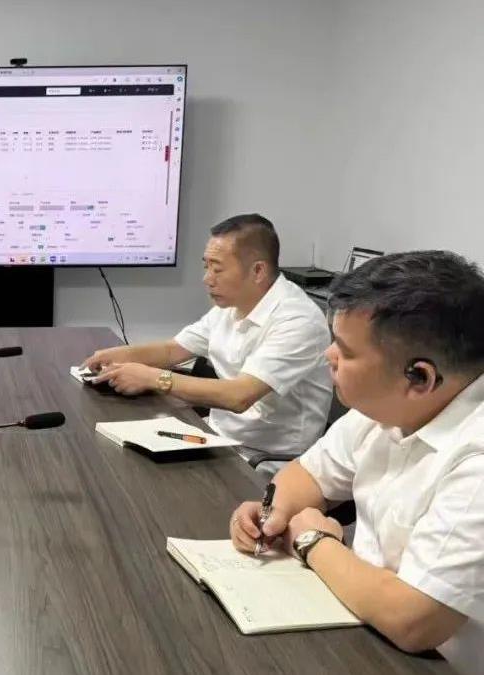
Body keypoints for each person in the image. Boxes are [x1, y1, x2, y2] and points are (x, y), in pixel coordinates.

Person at [229, 250, 484, 670]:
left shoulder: (475, 457)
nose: (328, 356)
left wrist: (312, 541)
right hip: (362, 624)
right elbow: (304, 476)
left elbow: (413, 620)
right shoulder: (382, 407)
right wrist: (273, 518)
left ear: (420, 377)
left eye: (345, 352)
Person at [84, 214, 333, 458]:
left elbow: (239, 396)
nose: (207, 279)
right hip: (216, 436)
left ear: (258, 271)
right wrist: (117, 355)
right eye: (207, 267)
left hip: (265, 459)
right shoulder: (232, 305)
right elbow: (173, 350)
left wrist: (153, 378)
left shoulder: (298, 320)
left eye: (217, 269)